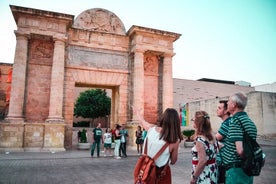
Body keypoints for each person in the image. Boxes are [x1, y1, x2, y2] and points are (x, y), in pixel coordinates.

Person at [133, 107, 183, 184]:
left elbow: (142, 121)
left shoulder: (151, 129)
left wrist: (137, 113)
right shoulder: (174, 141)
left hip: (145, 171)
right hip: (160, 173)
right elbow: (173, 161)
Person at [222, 92, 257, 184]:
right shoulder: (249, 122)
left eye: (229, 101)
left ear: (234, 105)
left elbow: (240, 150)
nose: (227, 103)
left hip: (236, 171)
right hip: (247, 170)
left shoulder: (235, 121)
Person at [190, 111, 218, 184]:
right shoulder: (212, 137)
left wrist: (194, 177)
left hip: (203, 174)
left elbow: (202, 161)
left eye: (193, 120)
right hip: (212, 171)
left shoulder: (199, 140)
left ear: (197, 123)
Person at [216, 100, 231, 184]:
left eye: (219, 108)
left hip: (224, 162)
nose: (217, 110)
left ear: (226, 111)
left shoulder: (227, 123)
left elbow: (215, 138)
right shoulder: (226, 122)